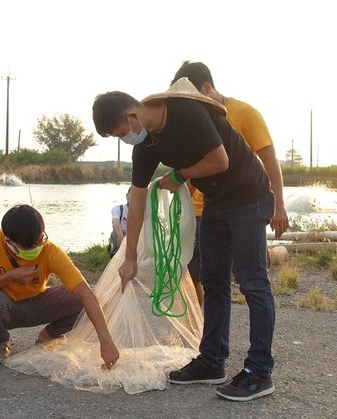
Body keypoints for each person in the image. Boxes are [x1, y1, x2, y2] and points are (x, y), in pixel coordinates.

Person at [92, 78, 276, 401]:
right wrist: (130, 256)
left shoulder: (186, 111)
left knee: (251, 281)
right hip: (218, 201)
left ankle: (259, 371)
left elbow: (221, 161)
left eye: (121, 133)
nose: (125, 139)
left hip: (248, 193)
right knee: (213, 279)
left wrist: (178, 175)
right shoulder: (145, 146)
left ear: (132, 115)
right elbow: (136, 199)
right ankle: (212, 361)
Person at [172, 61, 289, 305]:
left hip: (244, 206)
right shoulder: (193, 120)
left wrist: (279, 206)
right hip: (204, 211)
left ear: (206, 88)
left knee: (250, 279)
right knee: (202, 276)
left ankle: (260, 344)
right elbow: (194, 168)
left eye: (189, 98)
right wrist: (181, 210)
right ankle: (203, 331)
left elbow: (269, 160)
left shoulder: (245, 113)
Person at [0, 204, 120, 369]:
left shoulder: (50, 250)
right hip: (5, 307)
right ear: (8, 241)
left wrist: (106, 341)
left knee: (88, 298)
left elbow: (85, 293)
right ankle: (0, 342)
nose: (36, 249)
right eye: (28, 248)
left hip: (38, 304)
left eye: (39, 242)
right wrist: (7, 278)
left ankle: (48, 337)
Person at [108, 186, 131, 257]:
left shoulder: (143, 211)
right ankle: (115, 255)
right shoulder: (118, 209)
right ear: (127, 196)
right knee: (115, 232)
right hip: (121, 236)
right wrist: (120, 236)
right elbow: (115, 222)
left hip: (134, 237)